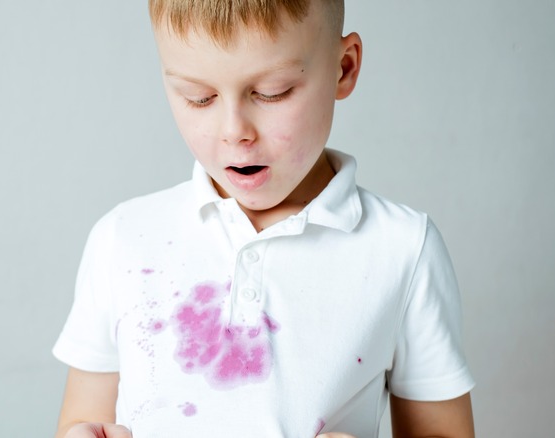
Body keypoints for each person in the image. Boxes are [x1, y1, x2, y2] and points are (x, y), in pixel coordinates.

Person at [52, 0, 475, 436]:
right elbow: (81, 421)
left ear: (343, 68)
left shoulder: (403, 249)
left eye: (272, 92)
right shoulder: (124, 238)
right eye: (199, 98)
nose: (234, 130)